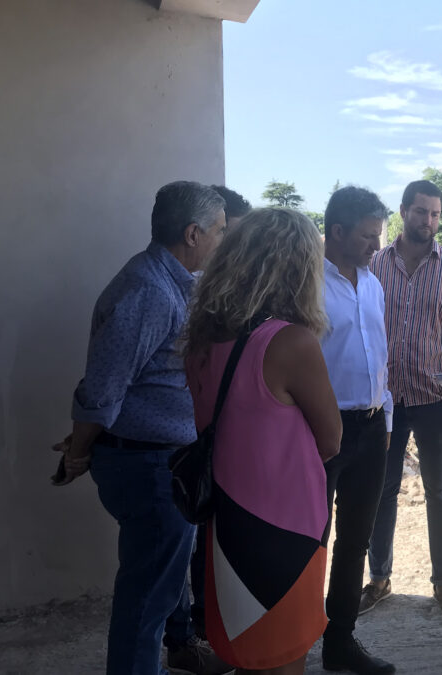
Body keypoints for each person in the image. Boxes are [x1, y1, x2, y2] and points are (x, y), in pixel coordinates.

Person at [53, 181, 232, 675]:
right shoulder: (149, 291)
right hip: (147, 463)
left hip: (158, 458)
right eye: (219, 231)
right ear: (193, 234)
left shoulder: (172, 283)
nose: (223, 241)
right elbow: (103, 388)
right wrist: (80, 450)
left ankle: (167, 654)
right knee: (147, 598)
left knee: (160, 582)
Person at [181, 207, 341, 675]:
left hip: (227, 519)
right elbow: (331, 439)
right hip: (286, 526)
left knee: (248, 650)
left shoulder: (202, 342)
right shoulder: (290, 343)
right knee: (282, 656)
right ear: (298, 269)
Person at [362, 180, 442, 620]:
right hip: (383, 400)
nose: (427, 220)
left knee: (440, 491)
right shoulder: (374, 264)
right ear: (403, 211)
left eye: (435, 214)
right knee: (381, 490)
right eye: (420, 211)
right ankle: (379, 579)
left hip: (438, 400)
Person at [319, 186, 397, 675]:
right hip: (321, 428)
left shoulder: (372, 283)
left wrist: (384, 416)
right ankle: (290, 639)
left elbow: (379, 354)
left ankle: (339, 642)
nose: (376, 245)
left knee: (354, 542)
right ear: (337, 231)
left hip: (370, 429)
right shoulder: (306, 285)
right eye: (368, 236)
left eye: (378, 235)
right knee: (310, 539)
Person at [187, 184, 252, 639]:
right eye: (229, 234)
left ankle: (207, 629)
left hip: (222, 443)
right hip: (190, 445)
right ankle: (196, 633)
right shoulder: (189, 292)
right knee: (194, 539)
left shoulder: (238, 294)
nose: (237, 248)